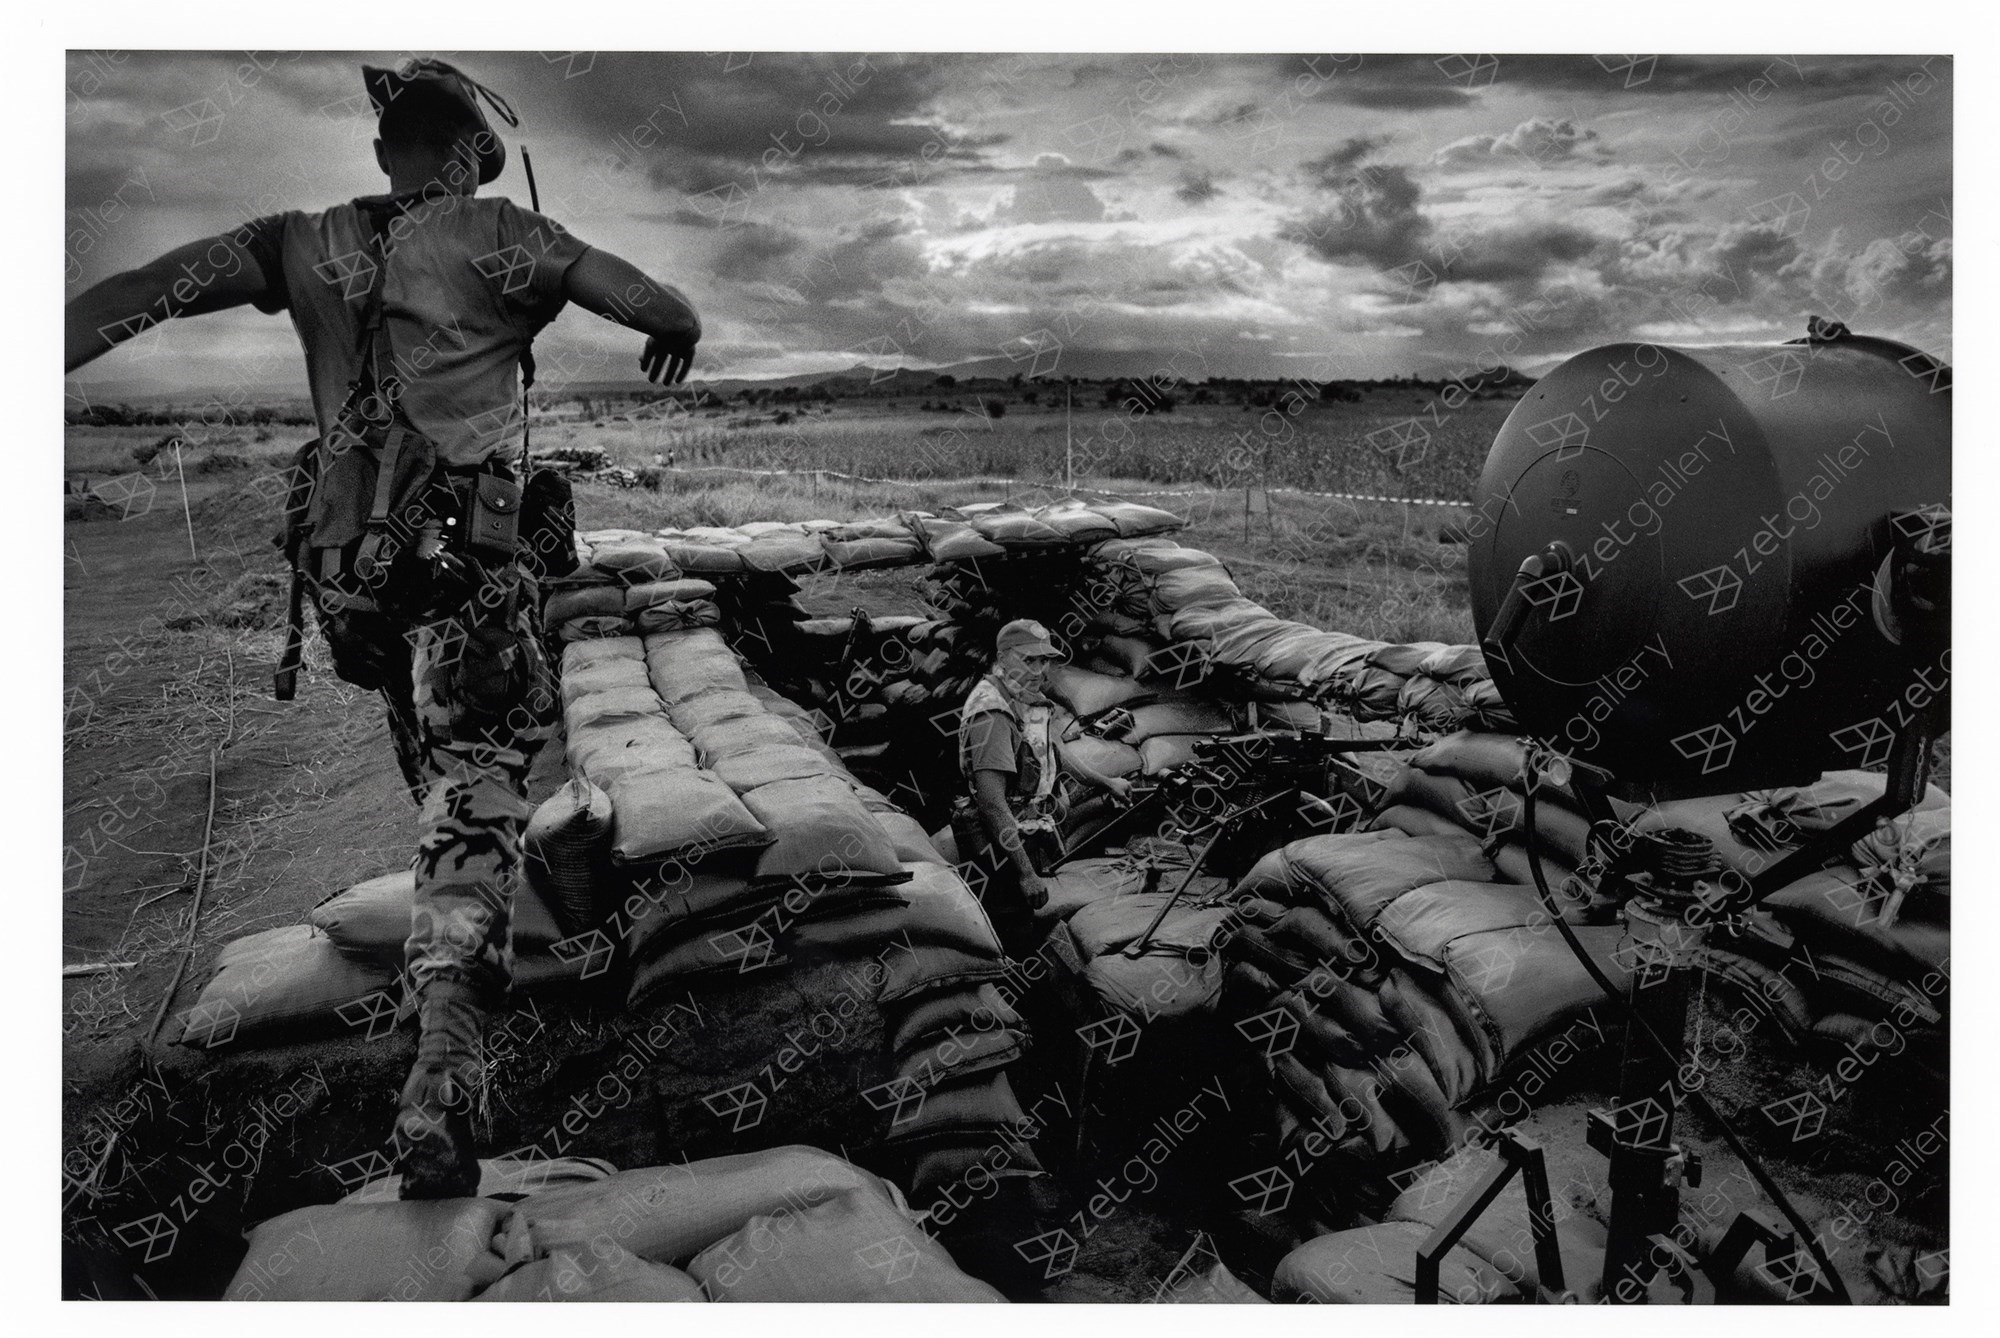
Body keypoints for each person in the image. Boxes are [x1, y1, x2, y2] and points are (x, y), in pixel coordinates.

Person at [64, 58, 703, 1198]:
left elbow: (133, 294)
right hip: (465, 575)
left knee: (440, 780)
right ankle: (445, 1072)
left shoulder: (295, 240)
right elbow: (643, 300)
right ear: (465, 158)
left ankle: (452, 918)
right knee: (476, 789)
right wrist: (677, 320)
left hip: (354, 587)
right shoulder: (499, 230)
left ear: (381, 153)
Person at [955, 619, 1133, 954]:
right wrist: (1025, 873)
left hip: (1025, 831)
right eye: (1028, 660)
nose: (1039, 670)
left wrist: (1106, 782)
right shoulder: (993, 714)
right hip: (999, 844)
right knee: (1012, 933)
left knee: (1028, 925)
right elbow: (992, 803)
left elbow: (1055, 754)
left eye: (1044, 660)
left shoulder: (1024, 698)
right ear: (1003, 658)